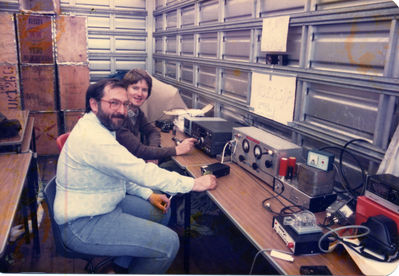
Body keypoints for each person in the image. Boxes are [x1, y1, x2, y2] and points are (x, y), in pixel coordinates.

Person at [53, 78, 217, 274]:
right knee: (169, 243)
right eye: (114, 103)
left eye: (125, 104)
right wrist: (193, 183)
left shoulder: (100, 126)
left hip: (102, 203)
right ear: (94, 104)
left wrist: (148, 195)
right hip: (82, 224)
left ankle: (119, 267)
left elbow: (121, 172)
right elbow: (139, 170)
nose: (122, 111)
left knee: (160, 212)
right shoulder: (94, 138)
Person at [116, 68, 196, 165]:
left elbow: (152, 131)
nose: (139, 94)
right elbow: (138, 150)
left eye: (144, 90)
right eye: (135, 88)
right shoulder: (117, 116)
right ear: (125, 89)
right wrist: (177, 149)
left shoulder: (136, 112)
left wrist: (153, 153)